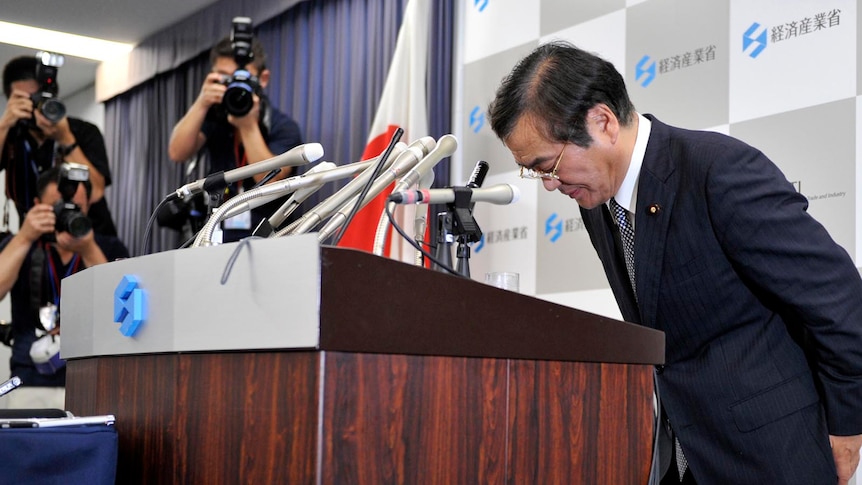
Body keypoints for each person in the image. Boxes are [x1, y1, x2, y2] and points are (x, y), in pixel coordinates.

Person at [487, 41, 862, 485]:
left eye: (547, 166)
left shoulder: (716, 170)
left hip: (774, 453)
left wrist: (847, 427)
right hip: (688, 455)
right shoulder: (596, 200)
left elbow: (838, 300)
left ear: (603, 121)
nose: (549, 185)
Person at [0, 164, 129, 409]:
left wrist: (88, 249)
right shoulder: (20, 245)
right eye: (57, 208)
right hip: (29, 382)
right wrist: (25, 236)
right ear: (37, 204)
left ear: (89, 205)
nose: (66, 215)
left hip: (93, 380)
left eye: (75, 208)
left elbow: (124, 306)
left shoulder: (109, 247)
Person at [168, 37, 303, 242]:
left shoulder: (282, 126)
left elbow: (271, 179)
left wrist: (247, 126)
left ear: (263, 79)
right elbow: (177, 152)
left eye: (241, 79)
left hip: (270, 239)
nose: (233, 86)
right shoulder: (215, 119)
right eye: (224, 78)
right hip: (215, 237)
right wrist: (202, 103)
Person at [1, 55, 118, 237]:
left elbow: (95, 192)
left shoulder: (83, 132)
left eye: (38, 98)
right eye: (25, 99)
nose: (34, 107)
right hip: (37, 244)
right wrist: (4, 124)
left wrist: (66, 139)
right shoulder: (11, 136)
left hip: (88, 236)